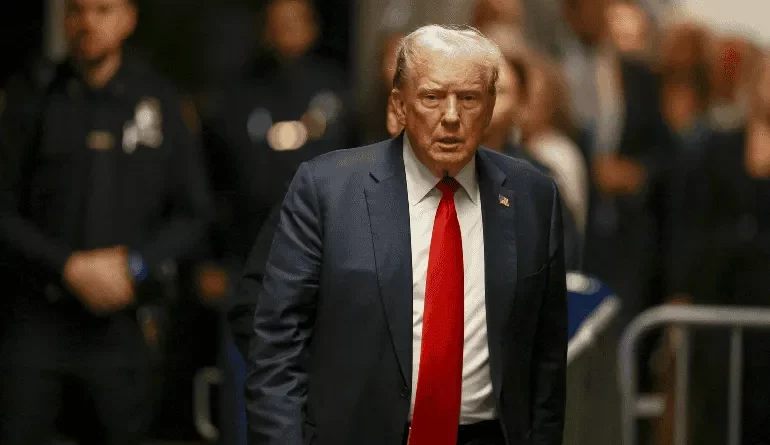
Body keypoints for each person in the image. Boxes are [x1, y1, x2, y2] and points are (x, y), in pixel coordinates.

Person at [234, 25, 567, 445]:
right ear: (399, 106)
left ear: (489, 107)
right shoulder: (328, 190)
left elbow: (547, 359)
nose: (451, 115)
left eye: (469, 98)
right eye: (432, 97)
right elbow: (276, 346)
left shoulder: (532, 196)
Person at [0, 0, 212, 443]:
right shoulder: (32, 96)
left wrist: (134, 265)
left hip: (122, 323)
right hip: (39, 320)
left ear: (128, 18)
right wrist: (66, 266)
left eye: (102, 10)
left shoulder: (159, 101)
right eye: (77, 11)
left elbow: (194, 214)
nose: (87, 23)